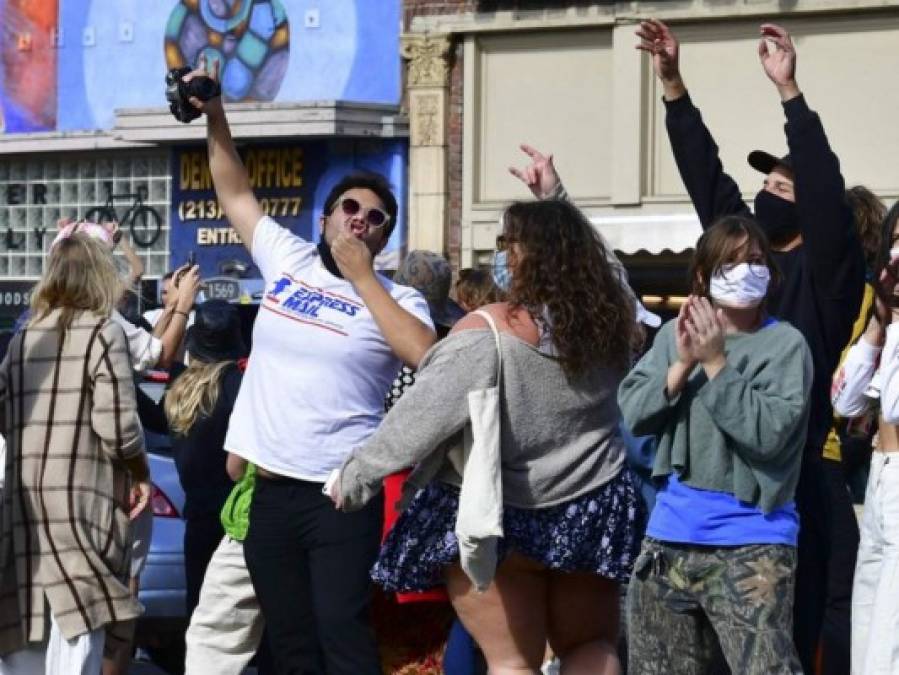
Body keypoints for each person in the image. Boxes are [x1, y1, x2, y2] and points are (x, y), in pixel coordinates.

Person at [183, 55, 437, 674]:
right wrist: (216, 116)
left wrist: (362, 277)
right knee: (291, 643)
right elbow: (234, 189)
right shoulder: (288, 259)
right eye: (350, 209)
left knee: (341, 634)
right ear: (324, 219)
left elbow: (424, 355)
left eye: (376, 219)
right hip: (268, 489)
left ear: (385, 239)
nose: (361, 220)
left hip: (339, 494)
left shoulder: (399, 297)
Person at [635, 19, 865, 670]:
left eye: (780, 188)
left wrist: (789, 91)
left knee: (776, 647)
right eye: (762, 185)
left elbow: (823, 191)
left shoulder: (825, 284)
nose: (767, 193)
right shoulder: (736, 266)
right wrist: (673, 85)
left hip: (789, 490)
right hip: (704, 491)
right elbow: (706, 178)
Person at [333, 199, 643, 674]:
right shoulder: (611, 330)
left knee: (510, 661)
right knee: (591, 646)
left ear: (524, 257)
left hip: (501, 515)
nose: (503, 255)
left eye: (507, 244)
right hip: (590, 507)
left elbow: (422, 416)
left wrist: (356, 476)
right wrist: (558, 194)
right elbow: (615, 278)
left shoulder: (489, 332)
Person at [619, 214, 813, 674]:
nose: (748, 270)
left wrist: (717, 364)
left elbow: (768, 435)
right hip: (669, 540)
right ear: (704, 276)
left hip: (753, 543)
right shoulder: (672, 335)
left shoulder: (786, 346)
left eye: (756, 260)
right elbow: (633, 412)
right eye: (732, 263)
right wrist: (681, 366)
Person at [0, 231, 151, 674]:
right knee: (79, 628)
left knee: (26, 625)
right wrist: (139, 471)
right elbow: (118, 425)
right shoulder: (103, 332)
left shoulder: (23, 339)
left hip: (24, 506)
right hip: (81, 505)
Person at [831, 205, 899, 675]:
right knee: (866, 627)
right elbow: (848, 400)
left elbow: (893, 406)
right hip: (878, 476)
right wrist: (879, 322)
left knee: (887, 647)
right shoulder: (889, 322)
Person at [154, 300, 247, 618]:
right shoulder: (238, 385)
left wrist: (175, 310)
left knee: (199, 612)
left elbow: (150, 368)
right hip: (238, 517)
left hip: (197, 515)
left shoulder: (177, 388)